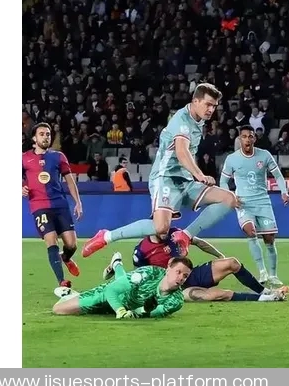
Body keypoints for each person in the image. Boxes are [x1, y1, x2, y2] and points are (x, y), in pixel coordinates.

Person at [82, 83, 239, 258]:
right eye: (208, 104)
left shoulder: (198, 121)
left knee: (229, 199)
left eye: (214, 106)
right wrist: (200, 175)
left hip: (185, 181)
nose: (211, 110)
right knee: (161, 228)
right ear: (196, 101)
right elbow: (181, 152)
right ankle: (106, 236)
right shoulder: (182, 120)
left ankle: (185, 235)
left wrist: (193, 176)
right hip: (166, 178)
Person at [104, 227, 288, 302]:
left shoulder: (175, 233)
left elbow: (198, 242)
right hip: (172, 287)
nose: (165, 228)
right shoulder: (141, 250)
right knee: (216, 295)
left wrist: (219, 256)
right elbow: (140, 276)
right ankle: (266, 299)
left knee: (232, 263)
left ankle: (264, 291)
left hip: (189, 275)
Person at [219, 125, 289, 286]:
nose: (247, 139)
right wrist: (230, 197)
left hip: (263, 202)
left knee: (269, 239)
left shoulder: (264, 155)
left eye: (250, 136)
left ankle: (273, 275)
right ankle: (262, 272)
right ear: (240, 139)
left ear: (254, 138)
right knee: (250, 231)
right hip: (243, 203)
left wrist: (284, 192)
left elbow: (278, 175)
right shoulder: (232, 159)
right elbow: (223, 181)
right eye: (244, 136)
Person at [22, 122, 83, 293]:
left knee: (72, 244)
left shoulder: (58, 157)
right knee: (51, 239)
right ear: (34, 138)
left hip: (60, 204)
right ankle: (61, 281)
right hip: (39, 205)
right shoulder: (24, 158)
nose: (46, 137)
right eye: (42, 134)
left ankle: (66, 257)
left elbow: (70, 181)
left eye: (48, 134)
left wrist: (78, 202)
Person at [53, 253, 192, 318]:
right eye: (178, 272)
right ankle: (70, 295)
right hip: (110, 295)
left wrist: (144, 310)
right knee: (59, 309)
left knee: (126, 284)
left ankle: (117, 264)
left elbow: (147, 313)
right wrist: (120, 310)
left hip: (128, 306)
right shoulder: (149, 273)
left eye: (185, 276)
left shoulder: (176, 300)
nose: (181, 278)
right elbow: (111, 290)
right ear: (168, 269)